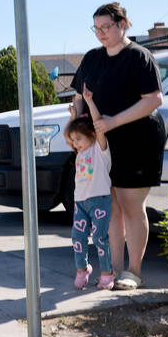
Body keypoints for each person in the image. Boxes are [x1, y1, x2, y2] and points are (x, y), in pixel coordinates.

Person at [69, 2, 164, 291]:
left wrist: (113, 121)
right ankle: (114, 271)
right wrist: (76, 119)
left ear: (122, 24)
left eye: (106, 27)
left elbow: (154, 100)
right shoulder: (92, 59)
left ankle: (133, 273)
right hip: (101, 146)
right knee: (109, 210)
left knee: (131, 206)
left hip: (138, 142)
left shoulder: (139, 57)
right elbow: (78, 97)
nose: (101, 34)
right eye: (96, 28)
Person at [65, 85, 115, 290]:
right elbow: (68, 136)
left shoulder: (100, 150)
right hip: (81, 203)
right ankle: (82, 270)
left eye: (79, 139)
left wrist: (90, 102)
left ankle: (106, 274)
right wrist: (73, 117)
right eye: (74, 140)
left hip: (100, 200)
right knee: (77, 236)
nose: (75, 143)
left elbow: (97, 124)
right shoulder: (80, 152)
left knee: (100, 238)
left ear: (91, 136)